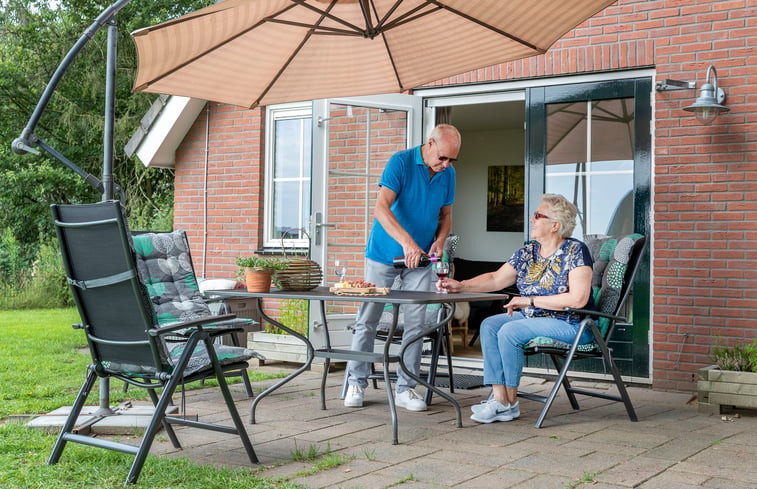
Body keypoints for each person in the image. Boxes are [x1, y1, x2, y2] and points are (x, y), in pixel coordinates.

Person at [438, 193, 594, 423]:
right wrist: (460, 286)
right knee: (490, 324)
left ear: (555, 225)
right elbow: (495, 279)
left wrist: (529, 301)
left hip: (570, 323)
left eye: (538, 215)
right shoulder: (528, 252)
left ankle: (510, 402)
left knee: (511, 331)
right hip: (533, 318)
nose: (532, 219)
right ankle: (501, 399)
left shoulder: (575, 252)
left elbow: (578, 299)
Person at [344, 124, 461, 412]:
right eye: (443, 157)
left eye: (452, 160)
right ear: (430, 144)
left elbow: (445, 215)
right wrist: (408, 243)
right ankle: (355, 382)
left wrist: (440, 241)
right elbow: (380, 208)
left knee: (416, 324)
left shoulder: (449, 174)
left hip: (421, 260)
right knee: (367, 320)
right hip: (384, 255)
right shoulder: (401, 162)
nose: (446, 165)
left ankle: (406, 388)